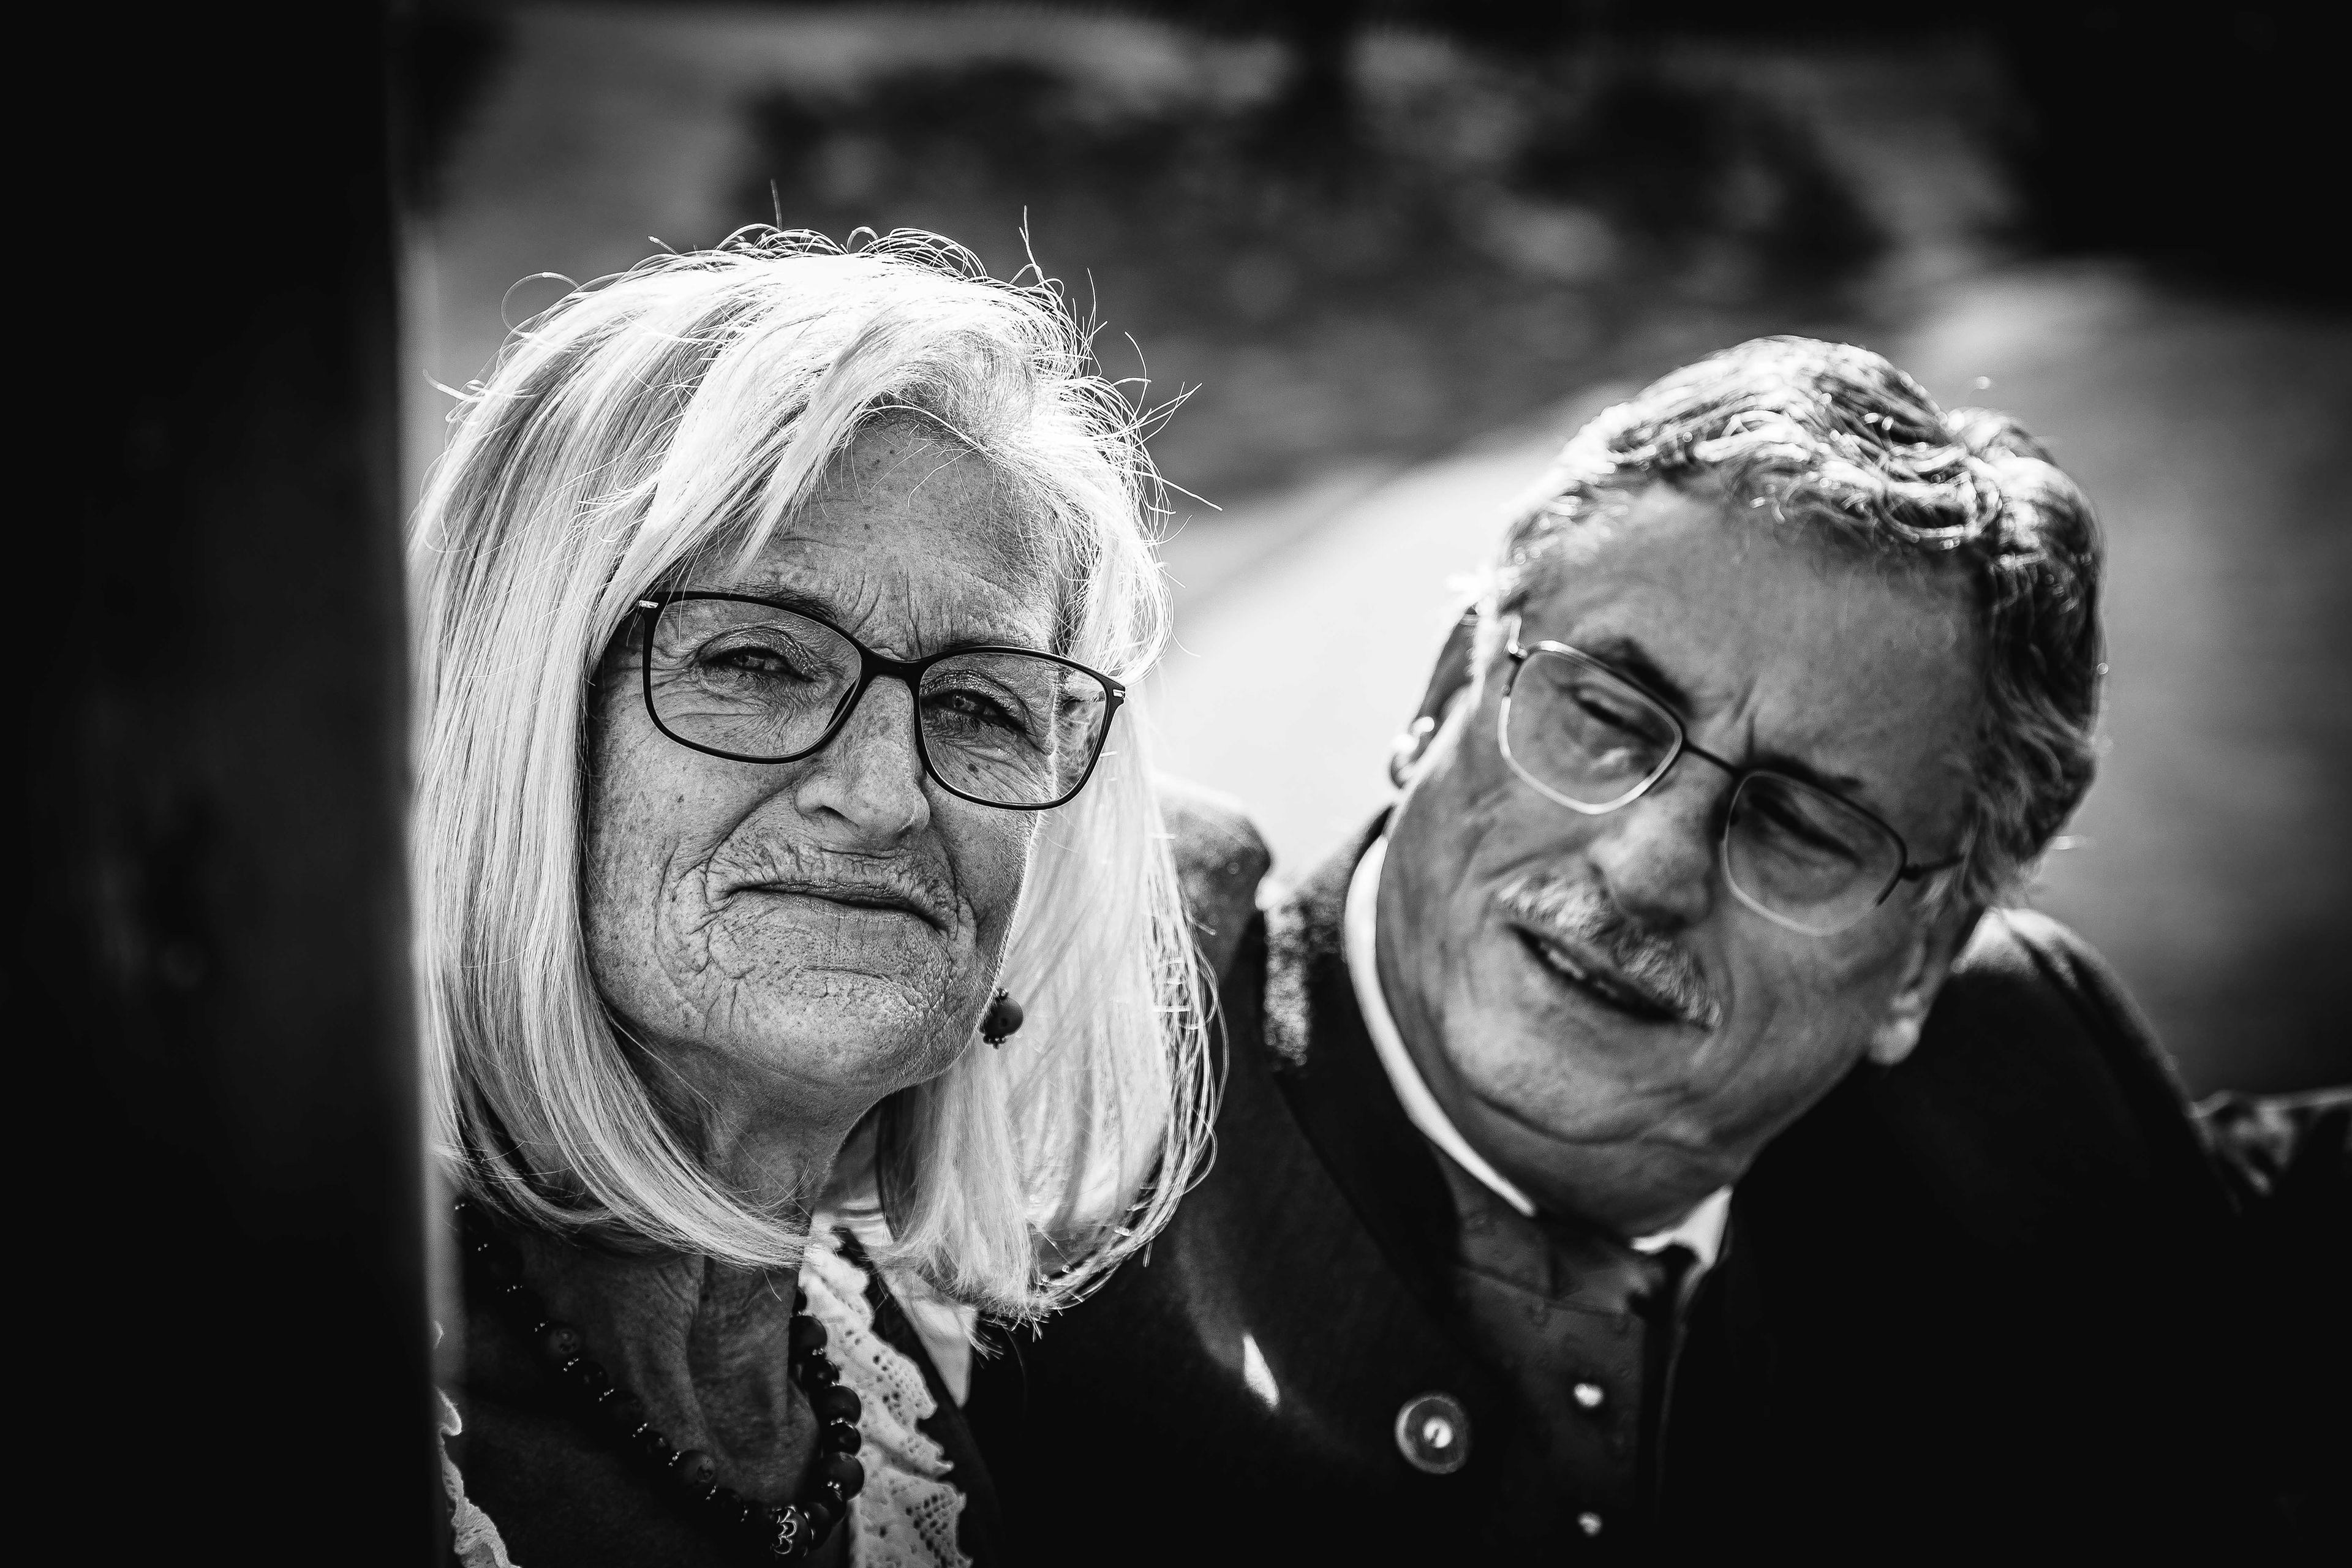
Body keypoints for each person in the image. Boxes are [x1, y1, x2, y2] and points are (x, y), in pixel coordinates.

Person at [968, 337, 2321, 1556]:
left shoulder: (2020, 1094)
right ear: (1447, 692)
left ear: (1924, 960)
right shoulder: (1074, 1018)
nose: (1648, 866)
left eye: (1805, 824)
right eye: (1608, 713)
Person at [414, 229, 1210, 1567]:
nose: (887, 794)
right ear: (514, 724)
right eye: (757, 661)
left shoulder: (890, 1393)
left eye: (980, 704)